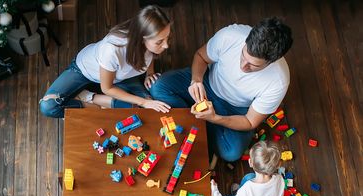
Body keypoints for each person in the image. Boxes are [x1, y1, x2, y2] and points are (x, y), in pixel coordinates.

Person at [149, 17, 293, 162]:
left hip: (235, 109)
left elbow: (250, 122)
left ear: (272, 61)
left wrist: (216, 118)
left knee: (231, 153)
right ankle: (202, 125)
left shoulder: (278, 81)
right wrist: (196, 80)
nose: (243, 66)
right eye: (243, 55)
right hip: (207, 82)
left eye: (253, 65)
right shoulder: (230, 35)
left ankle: (196, 122)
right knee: (158, 87)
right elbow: (201, 56)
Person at [40, 5, 172, 118]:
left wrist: (150, 72)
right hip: (85, 72)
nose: (166, 45)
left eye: (167, 38)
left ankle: (92, 97)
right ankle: (91, 101)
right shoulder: (113, 49)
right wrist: (143, 102)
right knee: (48, 107)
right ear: (142, 38)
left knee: (144, 110)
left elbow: (150, 55)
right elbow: (107, 88)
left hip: (120, 78)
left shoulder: (151, 42)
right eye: (160, 42)